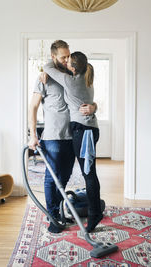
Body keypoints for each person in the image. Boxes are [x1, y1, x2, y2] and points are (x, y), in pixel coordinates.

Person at [28, 40, 96, 233]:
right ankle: (53, 218)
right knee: (52, 178)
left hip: (73, 135)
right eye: (63, 57)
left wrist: (94, 106)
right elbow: (32, 107)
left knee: (65, 177)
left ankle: (59, 210)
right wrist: (33, 135)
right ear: (53, 57)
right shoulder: (44, 78)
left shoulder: (74, 74)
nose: (67, 59)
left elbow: (87, 96)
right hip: (53, 137)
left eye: (69, 55)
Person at [42, 52, 103, 233]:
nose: (66, 62)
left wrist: (49, 61)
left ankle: (94, 214)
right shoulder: (86, 76)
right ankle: (94, 212)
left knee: (88, 174)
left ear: (73, 67)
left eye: (68, 60)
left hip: (83, 131)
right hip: (88, 129)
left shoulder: (70, 81)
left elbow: (47, 67)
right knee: (89, 173)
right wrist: (94, 107)